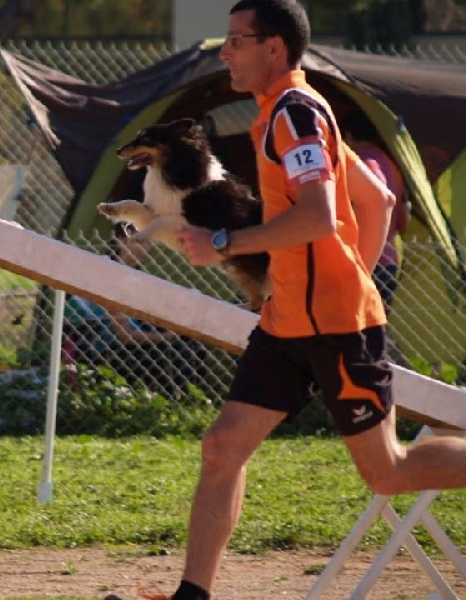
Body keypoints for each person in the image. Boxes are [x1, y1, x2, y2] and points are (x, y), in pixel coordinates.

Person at [112, 2, 466, 600]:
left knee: (388, 473)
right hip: (287, 321)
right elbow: (377, 201)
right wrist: (352, 273)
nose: (224, 52)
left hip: (333, 324)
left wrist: (227, 240)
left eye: (235, 41)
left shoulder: (295, 114)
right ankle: (191, 596)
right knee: (223, 446)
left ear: (274, 48)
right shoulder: (291, 110)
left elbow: (320, 216)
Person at [63, 224, 206, 395]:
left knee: (192, 345)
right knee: (175, 351)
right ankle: (171, 400)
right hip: (104, 349)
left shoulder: (137, 277)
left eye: (147, 244)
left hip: (128, 342)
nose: (144, 250)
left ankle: (184, 399)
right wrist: (167, 336)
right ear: (120, 240)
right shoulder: (106, 272)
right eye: (139, 242)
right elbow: (124, 335)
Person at [341, 111, 411, 309]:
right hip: (389, 259)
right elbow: (404, 223)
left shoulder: (365, 163)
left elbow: (377, 199)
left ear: (347, 135)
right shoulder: (392, 165)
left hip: (367, 259)